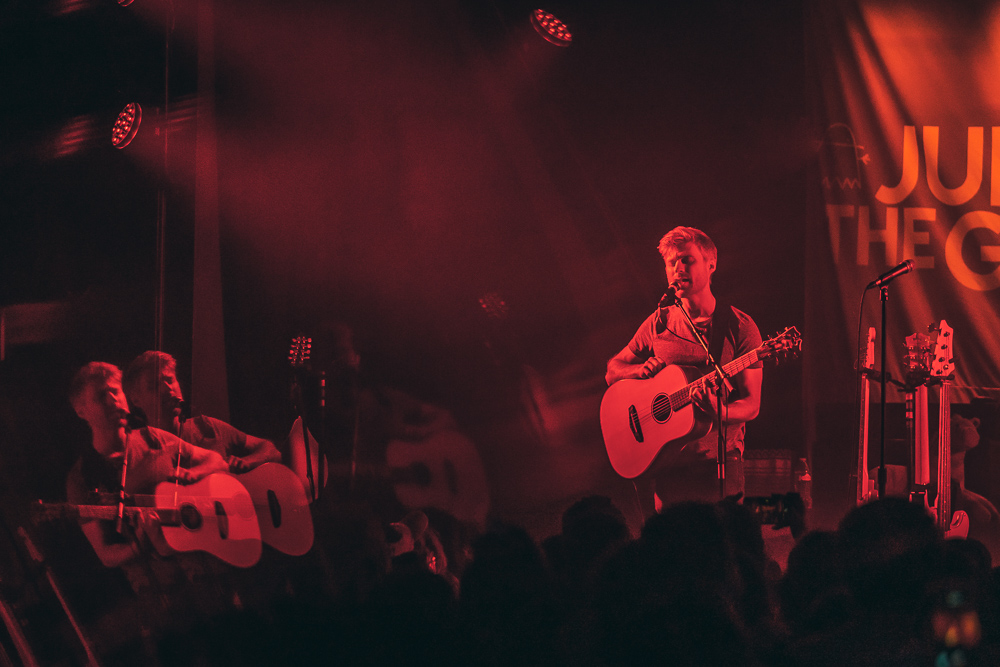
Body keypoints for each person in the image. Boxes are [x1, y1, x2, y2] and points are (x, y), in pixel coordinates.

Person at [605, 226, 762, 509]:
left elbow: (752, 405)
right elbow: (612, 369)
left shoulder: (739, 326)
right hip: (668, 464)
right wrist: (636, 372)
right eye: (671, 262)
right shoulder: (658, 321)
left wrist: (720, 411)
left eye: (687, 260)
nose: (678, 268)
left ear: (711, 264)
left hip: (719, 464)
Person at [65, 361, 230, 573]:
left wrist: (192, 475)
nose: (113, 400)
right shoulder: (83, 477)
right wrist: (139, 546)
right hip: (163, 588)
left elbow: (216, 461)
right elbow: (106, 555)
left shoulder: (154, 438)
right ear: (81, 411)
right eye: (100, 396)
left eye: (115, 391)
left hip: (214, 563)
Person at [123, 351, 281, 473]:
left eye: (170, 380)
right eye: (154, 385)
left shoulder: (208, 427)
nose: (167, 388)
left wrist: (247, 462)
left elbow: (271, 450)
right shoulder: (136, 446)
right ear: (136, 400)